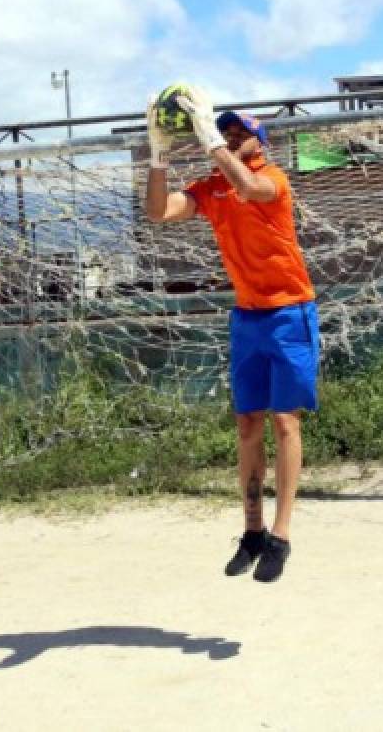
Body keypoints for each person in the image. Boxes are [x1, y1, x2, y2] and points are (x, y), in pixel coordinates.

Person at [144, 88, 318, 584]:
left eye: (242, 132)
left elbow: (247, 187)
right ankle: (253, 532)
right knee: (246, 424)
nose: (232, 137)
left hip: (289, 313)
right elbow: (159, 211)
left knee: (285, 421)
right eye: (226, 131)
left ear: (259, 142)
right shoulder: (212, 188)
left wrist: (208, 140)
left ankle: (282, 536)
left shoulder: (271, 179)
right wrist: (157, 153)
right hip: (247, 317)